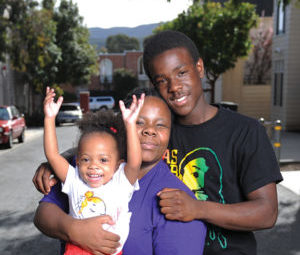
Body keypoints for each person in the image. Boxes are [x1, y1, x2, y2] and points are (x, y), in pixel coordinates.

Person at [33, 30, 282, 254]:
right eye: (162, 80)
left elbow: (266, 213)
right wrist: (60, 161)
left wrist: (199, 209)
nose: (174, 86)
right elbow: (105, 144)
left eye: (182, 72)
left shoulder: (245, 131)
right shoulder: (157, 126)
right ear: (153, 85)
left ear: (200, 68)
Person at [34, 88, 207, 255]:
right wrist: (73, 229)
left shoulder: (176, 200)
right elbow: (42, 215)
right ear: (123, 127)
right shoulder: (86, 170)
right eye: (139, 122)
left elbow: (134, 162)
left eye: (161, 125)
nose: (150, 130)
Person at [42, 86, 144, 255]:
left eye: (103, 160)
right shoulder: (74, 180)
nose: (93, 166)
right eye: (85, 159)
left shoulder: (121, 183)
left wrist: (131, 124)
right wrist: (49, 118)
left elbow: (135, 162)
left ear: (118, 164)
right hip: (76, 249)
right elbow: (52, 155)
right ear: (77, 160)